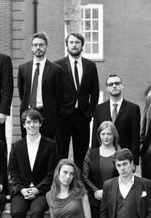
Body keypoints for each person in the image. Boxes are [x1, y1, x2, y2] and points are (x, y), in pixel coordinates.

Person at [7, 109, 58, 218]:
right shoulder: (16, 146)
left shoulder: (50, 145)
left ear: (40, 123)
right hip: (21, 191)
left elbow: (52, 173)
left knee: (37, 213)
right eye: (28, 122)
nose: (32, 125)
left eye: (35, 122)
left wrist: (37, 189)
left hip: (41, 191)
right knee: (16, 212)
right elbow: (13, 171)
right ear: (23, 125)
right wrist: (21, 189)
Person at [55, 32, 100, 166]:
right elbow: (54, 92)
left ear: (82, 46)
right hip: (63, 116)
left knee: (81, 152)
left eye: (77, 43)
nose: (74, 45)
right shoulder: (57, 66)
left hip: (82, 115)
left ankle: (80, 183)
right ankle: (60, 182)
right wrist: (59, 111)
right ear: (67, 46)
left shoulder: (90, 66)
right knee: (60, 151)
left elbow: (95, 92)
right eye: (71, 42)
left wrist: (90, 112)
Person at [17, 31, 63, 140]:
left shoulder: (56, 69)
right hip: (28, 114)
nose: (38, 48)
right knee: (27, 147)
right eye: (35, 45)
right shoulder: (23, 68)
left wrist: (54, 112)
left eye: (41, 45)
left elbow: (60, 96)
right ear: (31, 47)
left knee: (48, 147)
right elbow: (22, 93)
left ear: (46, 46)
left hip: (48, 116)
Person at [92, 74, 141, 159]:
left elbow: (135, 138)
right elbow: (95, 136)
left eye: (117, 83)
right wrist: (93, 158)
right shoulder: (99, 109)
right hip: (103, 156)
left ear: (122, 86)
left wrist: (134, 161)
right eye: (111, 84)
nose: (114, 86)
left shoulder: (133, 109)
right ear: (107, 89)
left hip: (125, 157)